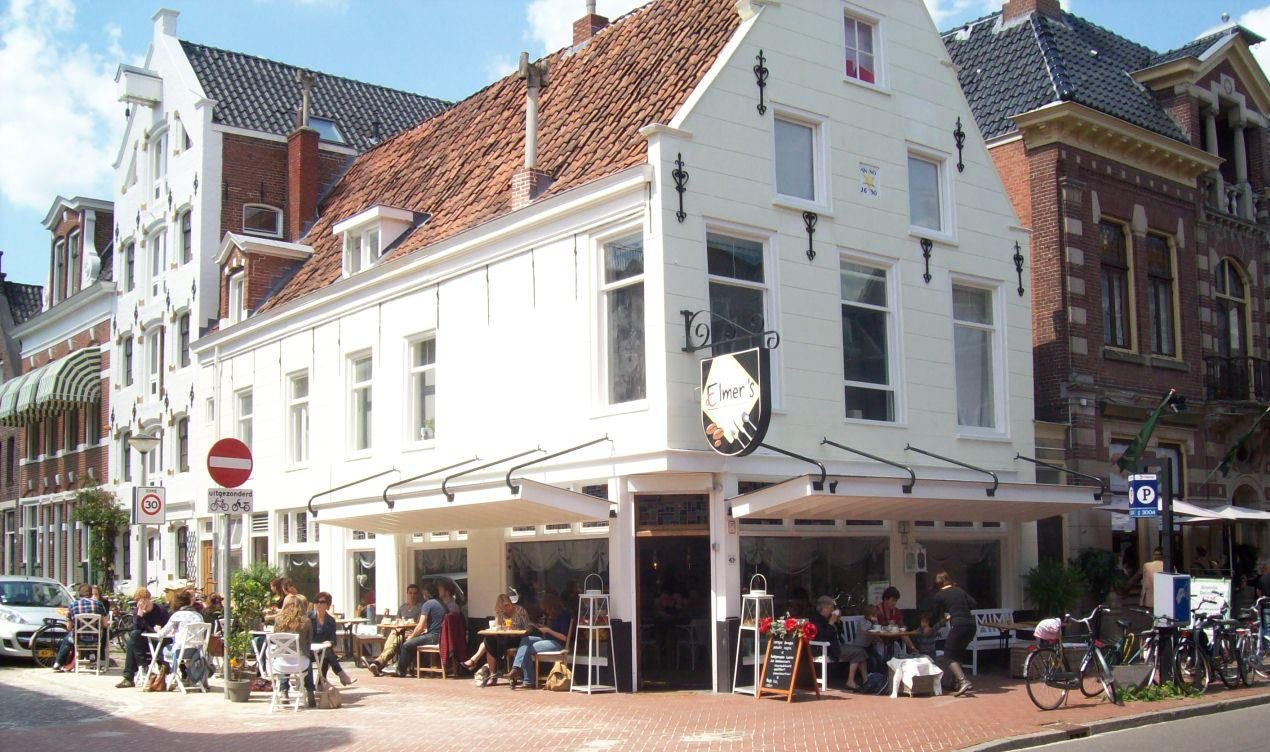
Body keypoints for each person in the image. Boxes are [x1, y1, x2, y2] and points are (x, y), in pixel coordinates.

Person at [463, 593, 530, 685]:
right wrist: (498, 614)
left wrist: (517, 630)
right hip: (504, 638)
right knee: (489, 641)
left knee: (491, 642)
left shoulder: (520, 610)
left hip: (518, 638)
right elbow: (497, 627)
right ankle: (493, 675)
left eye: (507, 605)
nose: (506, 608)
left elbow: (528, 627)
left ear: (510, 603)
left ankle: (475, 661)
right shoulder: (500, 613)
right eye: (503, 607)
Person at [507, 593, 571, 689]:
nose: (546, 612)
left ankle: (527, 679)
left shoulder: (564, 616)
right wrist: (541, 627)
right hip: (547, 640)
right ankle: (516, 669)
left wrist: (548, 630)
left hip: (557, 643)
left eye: (547, 609)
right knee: (525, 640)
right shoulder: (552, 616)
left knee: (526, 649)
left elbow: (564, 638)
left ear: (552, 607)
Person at [365, 585, 432, 676]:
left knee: (396, 641)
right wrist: (397, 626)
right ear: (407, 594)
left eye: (415, 593)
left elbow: (420, 624)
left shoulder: (421, 607)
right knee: (392, 636)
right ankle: (379, 664)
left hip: (411, 632)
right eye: (410, 593)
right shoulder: (402, 607)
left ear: (418, 594)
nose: (412, 595)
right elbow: (397, 620)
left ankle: (378, 663)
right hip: (399, 630)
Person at [931, 571, 977, 697]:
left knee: (948, 655)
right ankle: (955, 683)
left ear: (938, 584)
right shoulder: (960, 591)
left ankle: (963, 681)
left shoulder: (939, 595)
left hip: (958, 625)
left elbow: (935, 615)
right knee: (958, 653)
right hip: (971, 626)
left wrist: (930, 626)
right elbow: (973, 603)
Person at [389, 584, 448, 677]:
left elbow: (420, 626)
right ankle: (415, 668)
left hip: (434, 637)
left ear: (426, 594)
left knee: (406, 645)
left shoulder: (428, 604)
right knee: (413, 643)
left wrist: (411, 637)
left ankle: (400, 671)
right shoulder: (442, 604)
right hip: (443, 637)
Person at [116, 586, 169, 688]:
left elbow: (168, 626)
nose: (141, 604)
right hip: (145, 642)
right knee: (134, 636)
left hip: (159, 641)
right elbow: (136, 628)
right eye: (138, 602)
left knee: (131, 643)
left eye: (144, 601)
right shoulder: (137, 611)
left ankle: (129, 677)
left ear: (149, 599)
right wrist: (140, 614)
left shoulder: (160, 609)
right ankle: (144, 666)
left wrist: (160, 628)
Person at [157, 589, 209, 689]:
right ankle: (189, 677)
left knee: (163, 650)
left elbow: (162, 634)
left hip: (180, 651)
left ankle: (172, 674)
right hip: (197, 651)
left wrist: (158, 630)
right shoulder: (198, 616)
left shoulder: (177, 616)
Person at [52, 584, 110, 671]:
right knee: (92, 634)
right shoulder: (98, 604)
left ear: (79, 593)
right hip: (96, 639)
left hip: (78, 639)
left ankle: (58, 663)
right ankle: (92, 655)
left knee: (67, 639)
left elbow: (69, 627)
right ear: (90, 593)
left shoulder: (72, 605)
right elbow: (105, 624)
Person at [275, 594, 317, 707]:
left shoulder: (278, 620)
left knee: (284, 656)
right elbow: (309, 641)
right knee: (307, 659)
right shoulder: (306, 621)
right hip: (300, 663)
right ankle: (310, 691)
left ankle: (284, 691)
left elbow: (276, 639)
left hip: (281, 663)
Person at [310, 591, 355, 686]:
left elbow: (334, 640)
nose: (318, 604)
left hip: (322, 651)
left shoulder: (330, 620)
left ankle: (321, 683)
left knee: (327, 652)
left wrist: (329, 642)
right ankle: (341, 675)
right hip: (309, 651)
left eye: (322, 602)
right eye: (316, 601)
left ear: (328, 605)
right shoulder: (309, 618)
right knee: (328, 653)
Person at [841, 604, 877, 691]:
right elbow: (864, 631)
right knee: (861, 654)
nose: (875, 616)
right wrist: (872, 623)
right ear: (869, 615)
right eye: (874, 614)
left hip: (867, 646)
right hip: (859, 645)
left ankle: (866, 680)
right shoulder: (863, 621)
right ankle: (858, 680)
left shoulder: (873, 622)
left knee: (863, 656)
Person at [876, 586, 917, 655]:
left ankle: (914, 650)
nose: (894, 603)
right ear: (885, 599)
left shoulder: (897, 612)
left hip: (892, 641)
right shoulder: (877, 611)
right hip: (879, 642)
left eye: (896, 601)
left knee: (903, 634)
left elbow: (901, 627)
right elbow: (873, 628)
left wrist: (902, 627)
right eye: (892, 600)